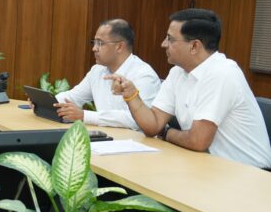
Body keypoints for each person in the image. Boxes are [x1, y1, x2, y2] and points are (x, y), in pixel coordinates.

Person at [108, 9, 271, 168]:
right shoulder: (178, 72)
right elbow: (153, 125)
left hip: (249, 172)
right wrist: (131, 95)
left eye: (170, 39)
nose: (163, 44)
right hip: (208, 164)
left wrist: (166, 133)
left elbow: (197, 141)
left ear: (194, 46)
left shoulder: (222, 73)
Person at [53, 19, 160, 129]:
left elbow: (136, 120)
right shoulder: (97, 70)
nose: (94, 48)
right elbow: (73, 97)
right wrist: (47, 102)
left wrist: (85, 116)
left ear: (119, 47)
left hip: (135, 138)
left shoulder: (144, 75)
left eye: (100, 43)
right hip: (106, 136)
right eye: (94, 42)